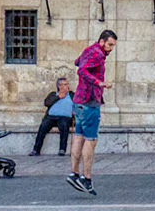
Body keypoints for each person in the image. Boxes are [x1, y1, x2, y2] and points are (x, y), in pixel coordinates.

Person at [67, 29, 116, 197]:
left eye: (113, 45)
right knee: (91, 141)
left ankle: (73, 173)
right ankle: (86, 178)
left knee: (79, 137)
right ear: (102, 41)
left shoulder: (89, 50)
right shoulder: (97, 54)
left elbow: (77, 62)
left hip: (79, 102)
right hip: (89, 102)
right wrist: (100, 83)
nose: (111, 48)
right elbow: (81, 71)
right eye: (109, 44)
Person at [34, 74, 74, 156]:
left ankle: (62, 149)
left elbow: (79, 105)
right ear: (59, 86)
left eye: (66, 84)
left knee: (64, 125)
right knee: (43, 126)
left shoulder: (72, 95)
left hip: (65, 118)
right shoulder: (53, 94)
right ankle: (36, 150)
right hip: (51, 117)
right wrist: (58, 97)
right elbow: (47, 103)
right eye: (63, 85)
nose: (65, 86)